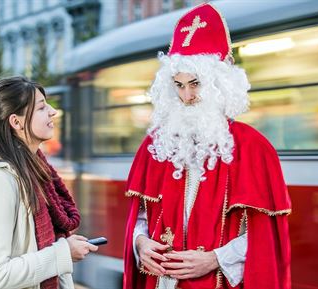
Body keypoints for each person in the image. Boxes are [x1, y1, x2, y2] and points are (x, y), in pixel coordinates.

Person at [123, 3, 291, 289]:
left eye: (195, 83)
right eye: (178, 85)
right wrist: (140, 243)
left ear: (219, 84)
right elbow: (140, 216)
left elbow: (267, 239)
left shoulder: (254, 147)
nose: (186, 96)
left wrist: (216, 258)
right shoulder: (156, 145)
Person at [0, 76, 98, 289]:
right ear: (16, 122)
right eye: (41, 107)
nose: (52, 112)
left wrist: (62, 252)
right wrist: (63, 253)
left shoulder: (34, 172)